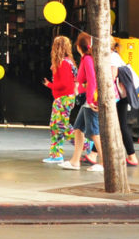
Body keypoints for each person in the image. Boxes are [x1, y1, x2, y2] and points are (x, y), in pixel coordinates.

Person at [61, 34, 104, 172]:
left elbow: (92, 79)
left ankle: (104, 162)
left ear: (79, 47)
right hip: (88, 99)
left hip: (89, 100)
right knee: (79, 128)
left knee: (94, 132)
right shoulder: (90, 58)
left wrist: (90, 100)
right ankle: (75, 161)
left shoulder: (87, 59)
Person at [41, 35, 77, 164]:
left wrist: (50, 85)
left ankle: (87, 145)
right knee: (58, 126)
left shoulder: (63, 64)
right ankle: (56, 154)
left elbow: (64, 84)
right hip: (66, 98)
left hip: (63, 98)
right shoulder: (69, 62)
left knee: (59, 126)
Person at [107, 40, 139, 165]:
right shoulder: (115, 56)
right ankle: (94, 153)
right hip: (121, 95)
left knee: (120, 125)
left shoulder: (112, 57)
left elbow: (111, 76)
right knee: (116, 124)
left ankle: (132, 156)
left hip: (118, 96)